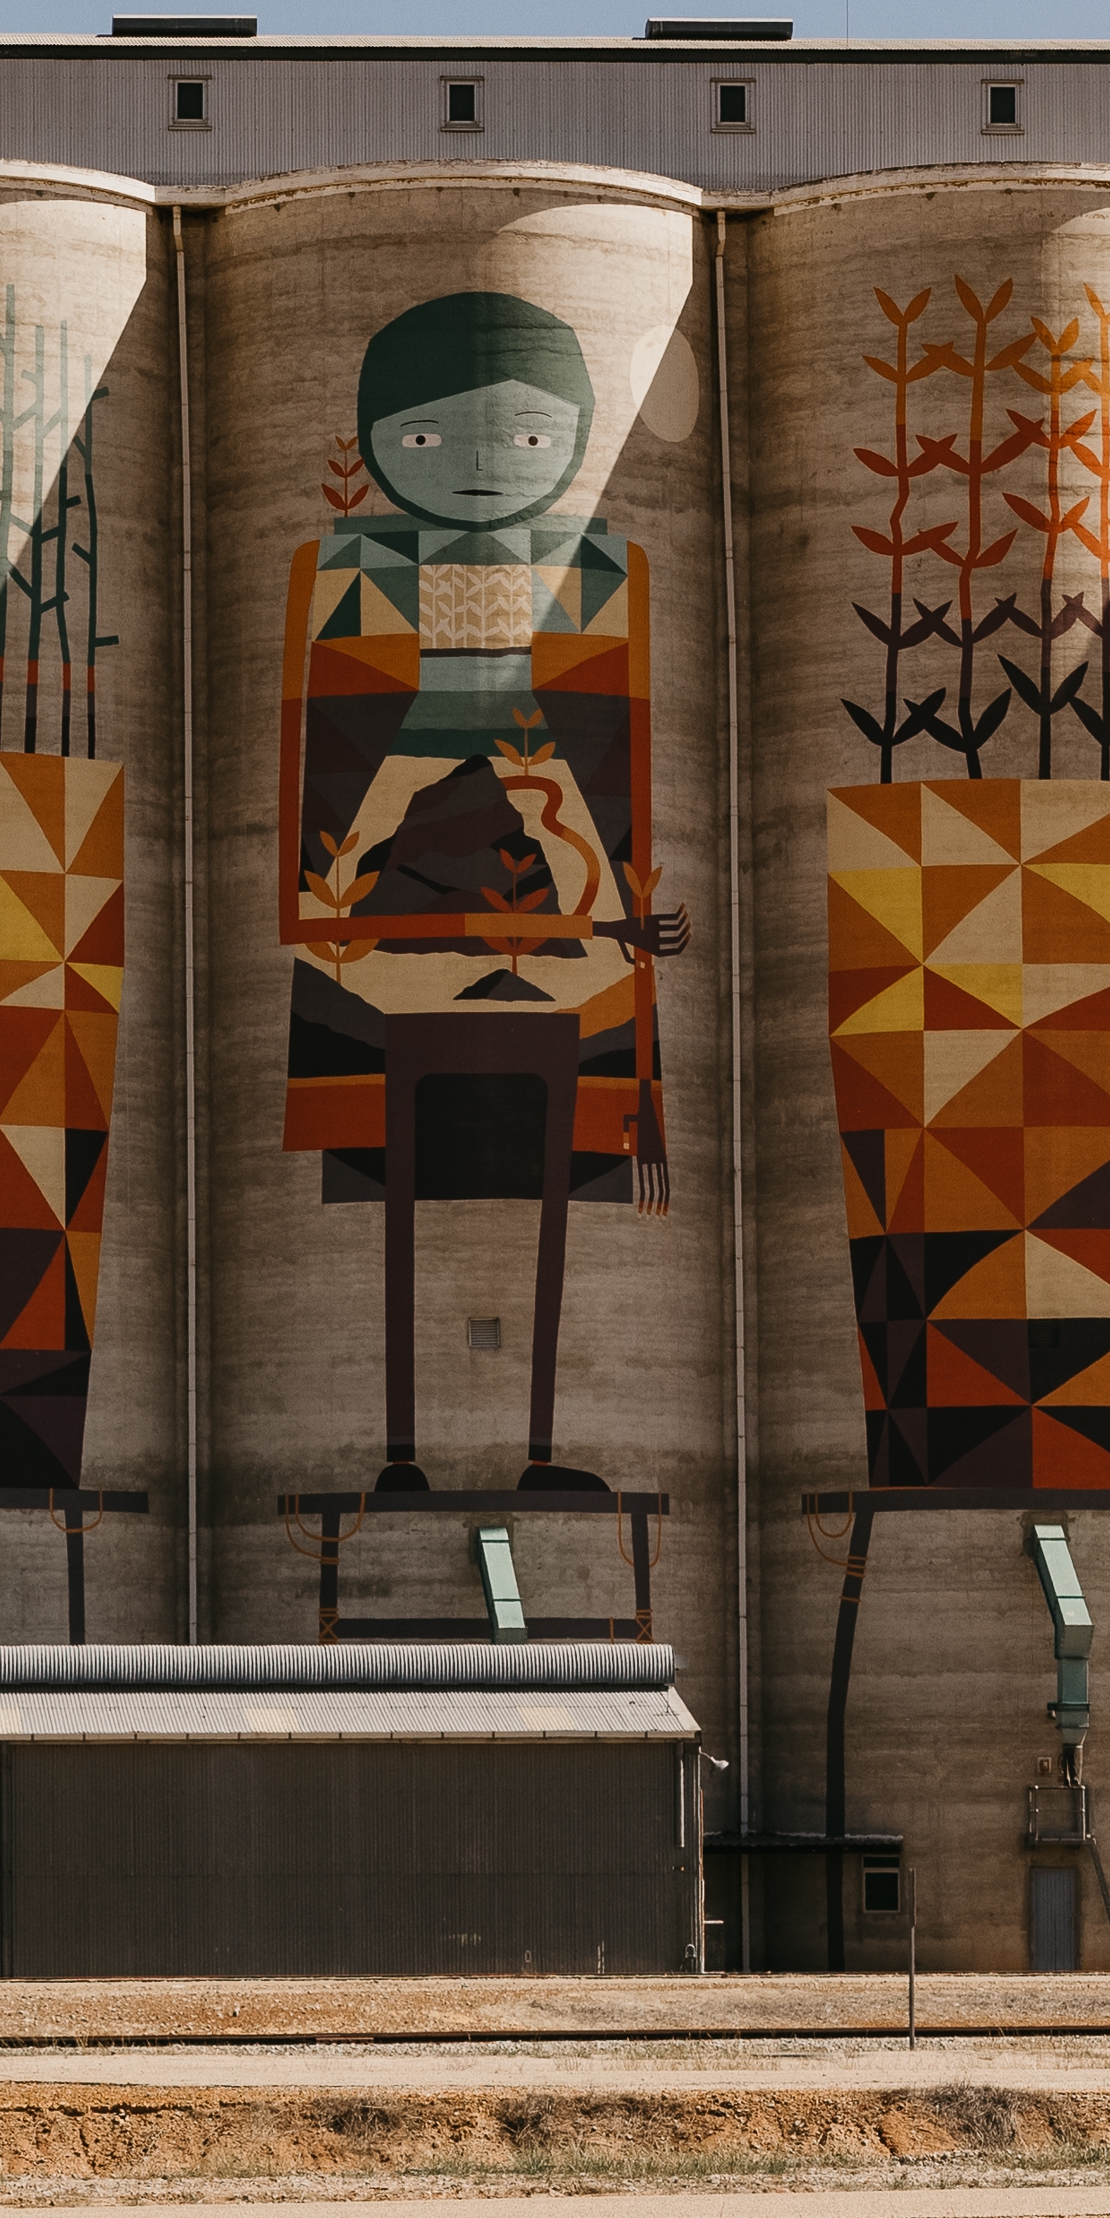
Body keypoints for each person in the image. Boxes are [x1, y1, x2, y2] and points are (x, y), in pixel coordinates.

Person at [282, 292, 683, 1489]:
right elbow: (325, 770)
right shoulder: (344, 569)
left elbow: (618, 761)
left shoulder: (605, 571)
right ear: (370, 447)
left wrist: (609, 907)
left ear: (574, 439)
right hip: (394, 931)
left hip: (566, 926)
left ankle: (544, 1448)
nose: (470, 468)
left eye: (519, 437)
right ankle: (400, 1449)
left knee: (556, 1187)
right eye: (422, 439)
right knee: (397, 1195)